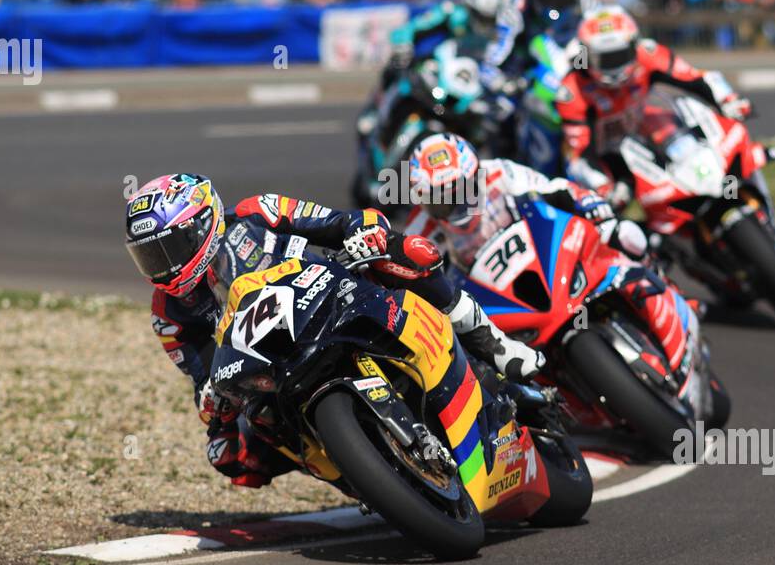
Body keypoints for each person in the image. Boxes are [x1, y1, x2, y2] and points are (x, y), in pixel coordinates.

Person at [124, 173, 543, 488]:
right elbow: (203, 376)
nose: (163, 266)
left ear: (202, 224)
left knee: (407, 252)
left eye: (168, 248)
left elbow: (338, 221)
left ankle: (494, 344)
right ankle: (359, 477)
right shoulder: (170, 314)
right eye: (148, 256)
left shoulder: (259, 212)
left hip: (336, 297)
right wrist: (211, 403)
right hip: (272, 363)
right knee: (226, 454)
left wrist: (362, 232)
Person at [401, 132, 697, 381]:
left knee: (627, 235)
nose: (453, 205)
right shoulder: (420, 228)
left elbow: (553, 188)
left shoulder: (499, 172)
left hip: (544, 255)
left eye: (459, 190)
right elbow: (413, 284)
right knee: (486, 368)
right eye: (439, 200)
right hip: (495, 299)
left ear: (475, 173)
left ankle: (664, 284)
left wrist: (594, 208)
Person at [558, 5, 751, 202]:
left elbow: (696, 77)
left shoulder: (649, 53)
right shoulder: (572, 91)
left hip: (649, 128)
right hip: (610, 155)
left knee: (726, 148)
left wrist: (728, 99)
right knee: (614, 203)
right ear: (586, 55)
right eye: (604, 59)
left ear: (634, 45)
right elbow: (580, 153)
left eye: (620, 55)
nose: (614, 66)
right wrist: (603, 184)